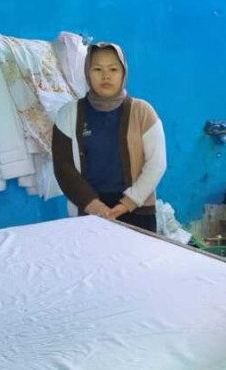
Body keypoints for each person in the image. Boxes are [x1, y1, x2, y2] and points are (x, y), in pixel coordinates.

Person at [52, 42, 166, 232]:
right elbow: (63, 166)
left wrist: (128, 203)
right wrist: (94, 206)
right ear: (88, 73)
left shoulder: (143, 112)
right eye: (97, 69)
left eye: (113, 69)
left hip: (137, 210)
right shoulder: (69, 114)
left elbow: (156, 164)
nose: (106, 76)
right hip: (87, 209)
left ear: (123, 72)